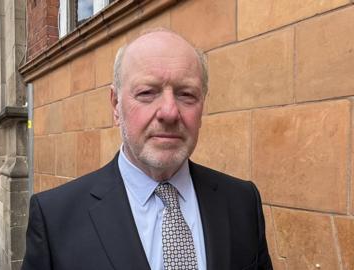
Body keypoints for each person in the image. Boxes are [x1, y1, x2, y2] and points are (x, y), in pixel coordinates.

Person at [21, 29, 272, 270]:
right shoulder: (54, 219)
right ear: (115, 105)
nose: (169, 112)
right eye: (147, 93)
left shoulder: (242, 201)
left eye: (186, 94)